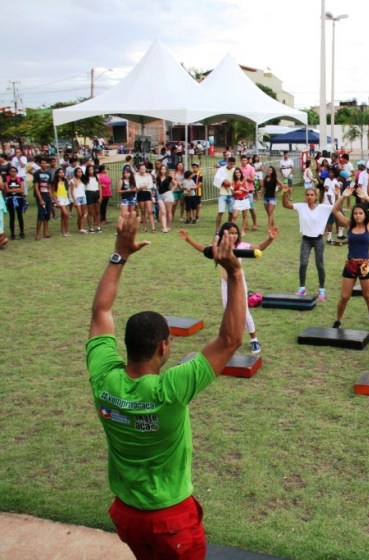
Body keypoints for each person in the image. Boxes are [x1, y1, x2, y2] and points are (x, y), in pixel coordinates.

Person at [87, 215, 245, 559]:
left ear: (125, 345)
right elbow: (231, 340)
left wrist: (119, 254)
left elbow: (101, 311)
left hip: (127, 514)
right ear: (163, 346)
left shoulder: (103, 378)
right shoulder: (170, 390)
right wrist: (234, 272)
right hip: (171, 520)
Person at [179, 222, 278, 354]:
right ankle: (230, 339)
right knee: (228, 312)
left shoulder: (241, 246)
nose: (233, 235)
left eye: (235, 233)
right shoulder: (218, 247)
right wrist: (188, 240)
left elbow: (258, 248)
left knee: (244, 311)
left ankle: (254, 340)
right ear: (224, 234)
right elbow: (203, 249)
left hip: (239, 282)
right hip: (225, 283)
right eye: (231, 233)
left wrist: (270, 239)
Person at [330, 186, 369, 334]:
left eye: (360, 213)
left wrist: (366, 197)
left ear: (365, 215)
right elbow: (335, 211)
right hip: (350, 265)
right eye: (355, 213)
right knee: (344, 296)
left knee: (368, 296)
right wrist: (342, 196)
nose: (358, 216)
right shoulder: (349, 225)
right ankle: (338, 320)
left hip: (365, 265)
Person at [282, 183, 332, 301]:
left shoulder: (323, 208)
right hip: (306, 239)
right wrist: (284, 193)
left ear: (315, 197)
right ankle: (302, 288)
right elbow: (285, 204)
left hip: (318, 240)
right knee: (303, 263)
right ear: (305, 197)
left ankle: (322, 290)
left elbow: (336, 207)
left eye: (312, 195)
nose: (309, 197)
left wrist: (341, 195)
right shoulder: (301, 206)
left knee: (319, 264)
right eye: (307, 195)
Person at [213, 157, 236, 232]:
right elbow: (217, 179)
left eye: (233, 164)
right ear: (227, 162)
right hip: (223, 193)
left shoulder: (235, 170)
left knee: (231, 212)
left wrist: (231, 186)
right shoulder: (221, 170)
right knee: (220, 212)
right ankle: (217, 229)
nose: (231, 165)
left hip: (231, 193)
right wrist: (224, 182)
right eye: (230, 163)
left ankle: (228, 229)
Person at [33, 163, 53, 240]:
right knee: (41, 215)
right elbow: (36, 187)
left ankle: (45, 232)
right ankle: (37, 234)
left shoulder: (48, 173)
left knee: (47, 215)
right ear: (40, 164)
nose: (44, 164)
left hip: (47, 195)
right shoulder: (37, 173)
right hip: (41, 195)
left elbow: (49, 186)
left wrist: (50, 197)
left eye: (45, 163)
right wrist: (40, 199)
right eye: (43, 163)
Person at [82, 164, 102, 234]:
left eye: (92, 169)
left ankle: (98, 226)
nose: (91, 171)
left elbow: (99, 186)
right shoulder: (85, 178)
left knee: (98, 211)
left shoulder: (97, 177)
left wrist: (100, 196)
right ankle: (91, 227)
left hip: (96, 193)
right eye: (90, 170)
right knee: (90, 212)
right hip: (89, 193)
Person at [52, 167, 72, 237]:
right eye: (60, 172)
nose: (61, 174)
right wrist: (56, 202)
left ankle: (63, 231)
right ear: (57, 174)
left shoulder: (65, 181)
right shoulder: (55, 182)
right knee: (66, 214)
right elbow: (52, 193)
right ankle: (66, 231)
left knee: (63, 216)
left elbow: (66, 191)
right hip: (59, 199)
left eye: (62, 172)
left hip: (65, 199)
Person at [135, 164, 155, 233]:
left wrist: (143, 186)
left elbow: (150, 185)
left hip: (147, 193)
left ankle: (153, 228)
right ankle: (144, 227)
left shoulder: (149, 176)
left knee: (150, 211)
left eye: (144, 169)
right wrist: (144, 186)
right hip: (140, 193)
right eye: (141, 169)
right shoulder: (136, 176)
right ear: (139, 169)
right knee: (143, 211)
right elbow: (137, 186)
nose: (143, 170)